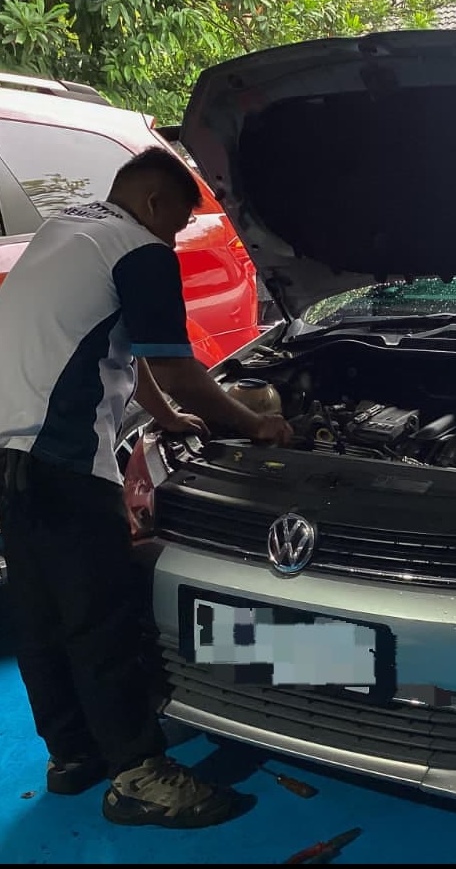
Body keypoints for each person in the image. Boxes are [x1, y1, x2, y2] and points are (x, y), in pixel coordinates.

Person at [0, 146, 294, 829]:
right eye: (178, 223)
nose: (175, 239)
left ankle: (73, 756)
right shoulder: (140, 250)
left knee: (40, 617)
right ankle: (138, 775)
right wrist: (256, 424)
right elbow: (179, 365)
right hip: (63, 458)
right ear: (156, 202)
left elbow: (125, 346)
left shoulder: (68, 228)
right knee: (101, 620)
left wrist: (167, 418)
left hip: (8, 457)